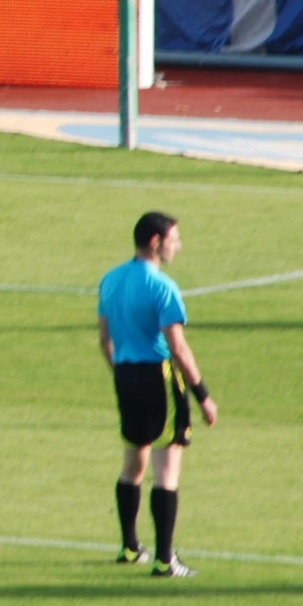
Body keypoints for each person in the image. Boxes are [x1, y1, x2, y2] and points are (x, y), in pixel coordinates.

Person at [97, 211, 218, 578]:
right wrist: (203, 395)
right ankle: (166, 559)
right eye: (174, 239)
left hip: (125, 374)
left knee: (133, 464)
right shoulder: (163, 287)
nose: (178, 246)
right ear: (155, 241)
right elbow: (178, 348)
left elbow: (105, 339)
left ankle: (130, 547)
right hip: (158, 378)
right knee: (167, 469)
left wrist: (122, 373)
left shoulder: (110, 280)